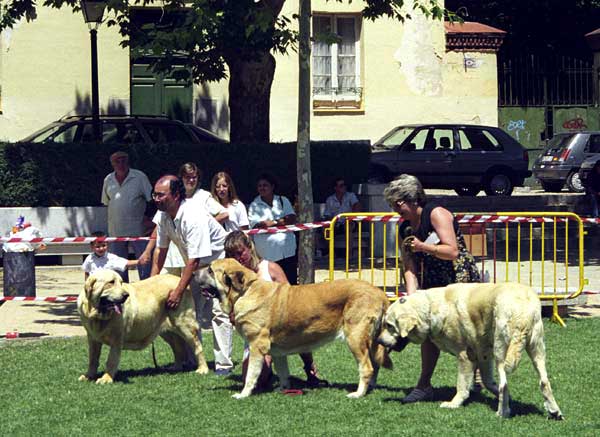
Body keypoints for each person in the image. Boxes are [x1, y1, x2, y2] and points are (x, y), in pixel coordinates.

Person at [383, 174, 480, 403]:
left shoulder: (437, 214)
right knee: (427, 334)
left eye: (399, 203)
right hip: (430, 287)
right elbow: (408, 266)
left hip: (458, 281)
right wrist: (412, 297)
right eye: (393, 205)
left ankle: (475, 380)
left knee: (469, 333)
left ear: (413, 199)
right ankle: (424, 385)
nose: (397, 209)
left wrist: (423, 247)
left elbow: (452, 251)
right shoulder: (405, 228)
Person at [151, 175, 234, 376]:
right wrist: (150, 285)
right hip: (196, 268)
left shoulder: (193, 216)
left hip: (219, 265)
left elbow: (194, 259)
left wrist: (179, 291)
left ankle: (223, 364)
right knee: (189, 313)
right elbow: (160, 251)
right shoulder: (163, 216)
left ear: (176, 194)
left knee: (219, 312)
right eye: (155, 194)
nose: (156, 198)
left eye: (161, 195)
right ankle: (190, 361)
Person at [224, 231, 325, 389]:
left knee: (299, 326)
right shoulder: (232, 279)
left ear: (250, 248)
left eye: (240, 252)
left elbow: (292, 299)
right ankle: (271, 372)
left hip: (281, 329)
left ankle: (310, 369)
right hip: (256, 336)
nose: (238, 259)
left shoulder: (270, 268)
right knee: (255, 382)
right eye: (232, 255)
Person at [101, 150, 153, 282]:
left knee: (144, 261)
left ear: (128, 161)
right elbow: (106, 202)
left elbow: (152, 200)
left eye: (123, 160)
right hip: (116, 229)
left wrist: (149, 220)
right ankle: (120, 290)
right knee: (117, 264)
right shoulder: (108, 179)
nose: (121, 163)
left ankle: (145, 286)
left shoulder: (140, 177)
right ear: (112, 164)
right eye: (117, 161)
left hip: (138, 228)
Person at [248, 173, 298, 284]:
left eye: (265, 185)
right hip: (268, 254)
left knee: (291, 284)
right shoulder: (254, 206)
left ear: (272, 187)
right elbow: (259, 225)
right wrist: (281, 221)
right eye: (259, 186)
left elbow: (291, 218)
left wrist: (273, 222)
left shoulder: (282, 200)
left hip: (287, 251)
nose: (262, 188)